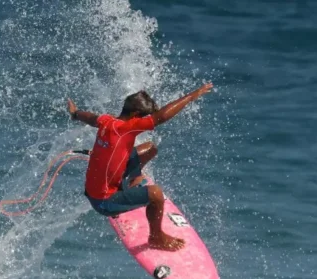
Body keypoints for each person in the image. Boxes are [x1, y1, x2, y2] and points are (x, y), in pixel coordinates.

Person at [67, 83, 214, 251]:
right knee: (156, 194)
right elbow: (162, 117)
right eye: (143, 118)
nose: (145, 122)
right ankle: (156, 237)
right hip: (104, 202)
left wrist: (75, 113)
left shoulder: (107, 121)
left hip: (96, 188)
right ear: (136, 115)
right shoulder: (127, 127)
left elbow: (91, 118)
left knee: (150, 148)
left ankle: (132, 180)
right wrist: (193, 95)